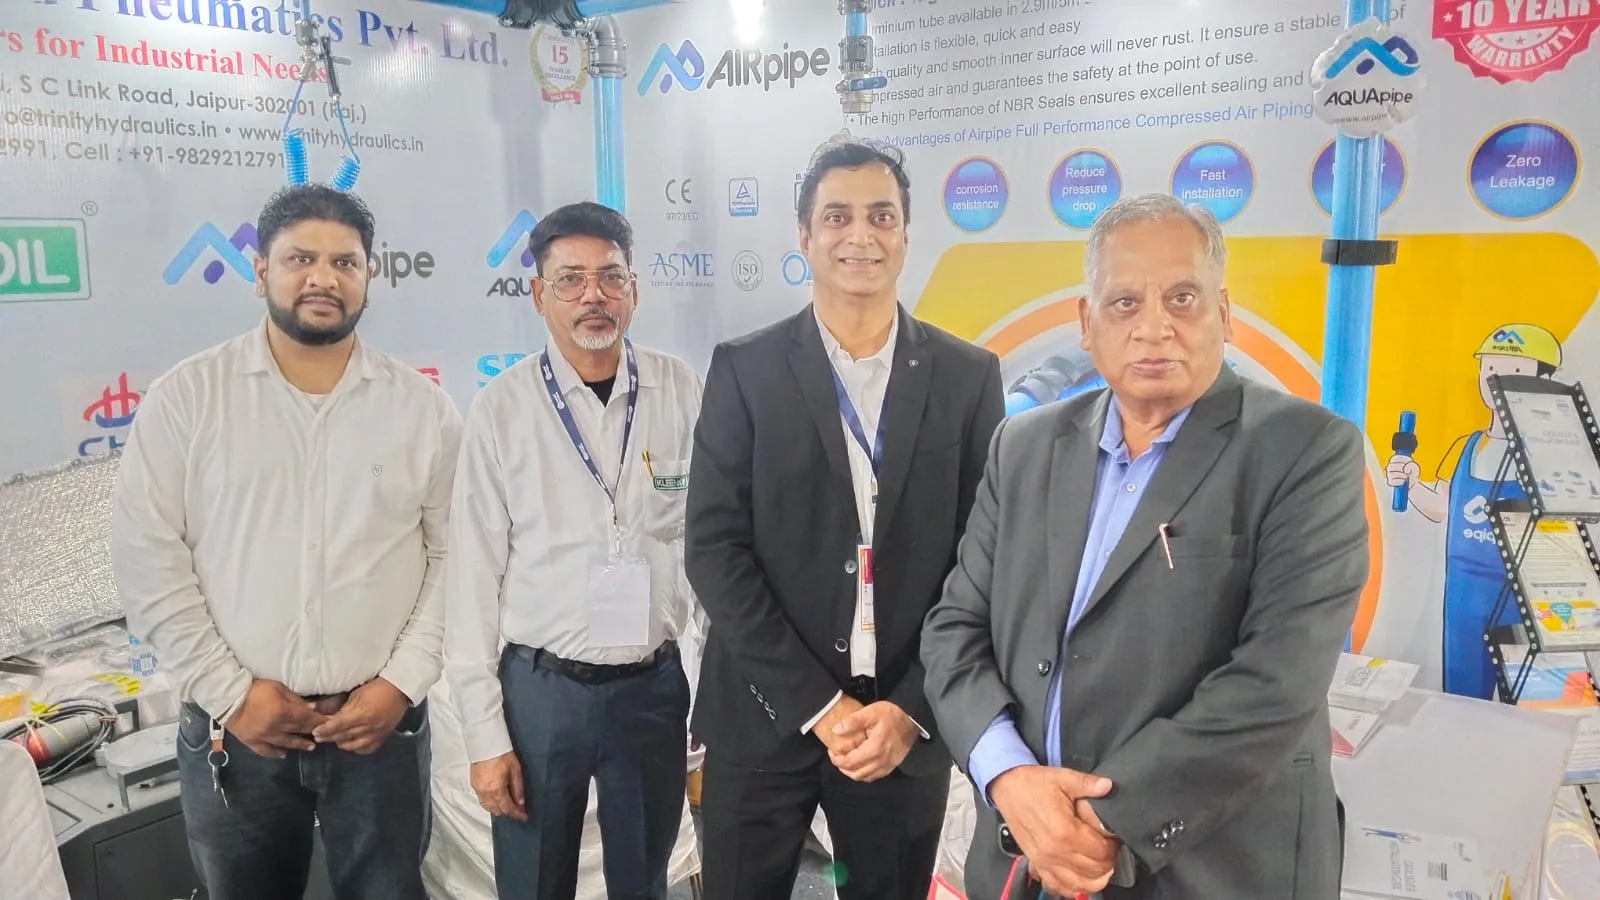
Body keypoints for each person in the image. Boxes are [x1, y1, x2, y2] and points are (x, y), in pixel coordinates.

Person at [921, 193, 1370, 899]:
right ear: (1087, 323)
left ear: (1224, 313)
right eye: (1125, 302)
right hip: (1027, 853)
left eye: (1182, 298)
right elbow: (954, 630)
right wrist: (1008, 776)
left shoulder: (1307, 451)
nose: (1154, 327)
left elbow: (1275, 683)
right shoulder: (1023, 447)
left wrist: (1097, 822)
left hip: (1208, 871)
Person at [110, 184, 461, 900]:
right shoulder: (189, 399)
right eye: (301, 259)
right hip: (236, 732)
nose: (323, 278)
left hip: (381, 731)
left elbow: (456, 559)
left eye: (345, 262)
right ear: (261, 271)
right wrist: (231, 694)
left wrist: (400, 684)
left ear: (369, 277)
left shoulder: (422, 409)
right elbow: (149, 558)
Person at [685, 136, 1005, 900]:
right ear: (804, 236)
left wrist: (912, 709)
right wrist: (820, 706)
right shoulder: (745, 369)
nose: (860, 234)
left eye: (881, 216)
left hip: (900, 727)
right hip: (764, 714)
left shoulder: (967, 377)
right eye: (837, 216)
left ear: (905, 234)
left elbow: (985, 559)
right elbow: (714, 550)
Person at [444, 201, 702, 900]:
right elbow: (471, 578)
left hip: (651, 689)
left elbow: (707, 545)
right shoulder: (502, 408)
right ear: (538, 294)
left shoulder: (679, 389)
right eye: (570, 279)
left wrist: (707, 692)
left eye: (611, 276)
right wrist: (485, 737)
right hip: (542, 693)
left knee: (642, 882)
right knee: (534, 881)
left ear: (634, 290)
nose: (594, 295)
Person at [1385, 324, 1563, 700]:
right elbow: (1442, 508)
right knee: (1461, 696)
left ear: (1544, 382)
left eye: (1515, 371)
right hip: (1464, 594)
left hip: (1523, 597)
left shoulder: (1552, 454)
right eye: (1490, 368)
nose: (1497, 380)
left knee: (1531, 702)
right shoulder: (1467, 447)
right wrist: (1411, 483)